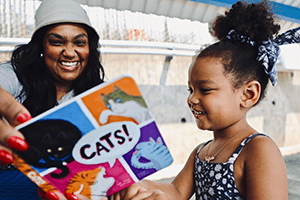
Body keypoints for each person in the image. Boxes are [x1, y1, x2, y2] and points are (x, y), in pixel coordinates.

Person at [110, 1, 300, 199]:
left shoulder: (258, 149)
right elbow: (176, 191)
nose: (192, 98)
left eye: (205, 90)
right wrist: (141, 185)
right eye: (190, 89)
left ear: (248, 94)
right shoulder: (201, 152)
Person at [0, 0, 105, 199]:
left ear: (89, 48)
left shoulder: (100, 96)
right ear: (41, 47)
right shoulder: (15, 75)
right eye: (57, 42)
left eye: (79, 43)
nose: (70, 52)